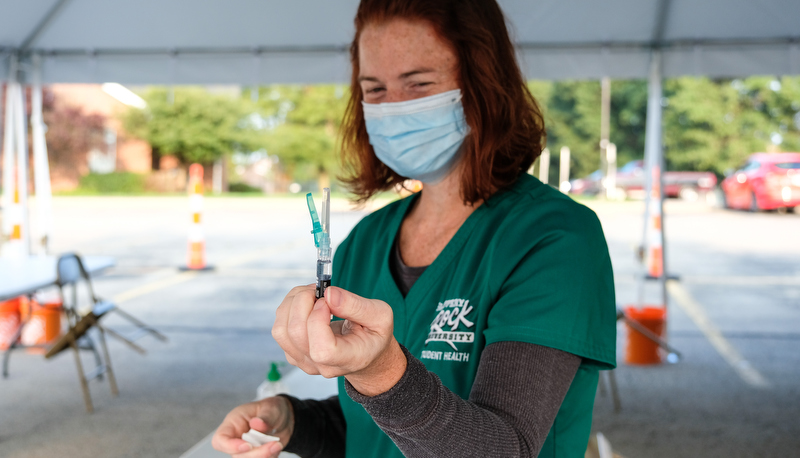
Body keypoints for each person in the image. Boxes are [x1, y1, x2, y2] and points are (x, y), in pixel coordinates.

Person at [211, 0, 616, 457]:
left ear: (482, 85)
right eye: (375, 90)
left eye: (419, 84)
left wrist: (382, 373)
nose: (394, 110)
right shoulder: (366, 242)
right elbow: (378, 434)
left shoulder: (554, 239)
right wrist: (292, 420)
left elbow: (505, 448)